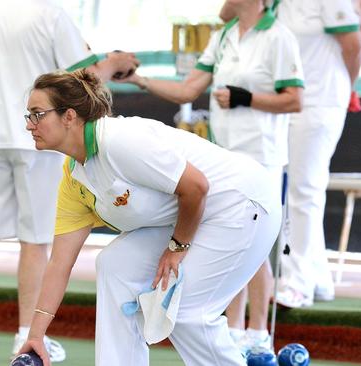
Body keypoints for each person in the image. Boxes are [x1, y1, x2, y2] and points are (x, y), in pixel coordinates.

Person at [17, 69, 282, 366]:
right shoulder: (74, 177)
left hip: (242, 202)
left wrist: (176, 248)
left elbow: (196, 188)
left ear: (69, 116)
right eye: (28, 115)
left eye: (37, 114)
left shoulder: (119, 140)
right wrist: (36, 335)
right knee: (115, 265)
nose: (30, 125)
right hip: (193, 213)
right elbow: (59, 264)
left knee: (185, 311)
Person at [0, 0, 139, 361]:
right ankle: (25, 336)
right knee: (35, 240)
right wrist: (117, 62)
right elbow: (86, 77)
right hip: (37, 137)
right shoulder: (51, 13)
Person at [124, 0, 303, 352]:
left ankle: (259, 333)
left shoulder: (280, 37)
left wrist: (246, 98)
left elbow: (294, 99)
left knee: (258, 242)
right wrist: (139, 80)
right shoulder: (222, 36)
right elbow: (189, 89)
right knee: (232, 238)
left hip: (263, 156)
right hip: (225, 156)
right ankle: (235, 329)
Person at [275, 0, 361, 308]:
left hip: (321, 101)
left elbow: (354, 47)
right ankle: (319, 278)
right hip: (288, 103)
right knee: (298, 189)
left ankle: (298, 284)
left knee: (303, 190)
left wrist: (344, 89)